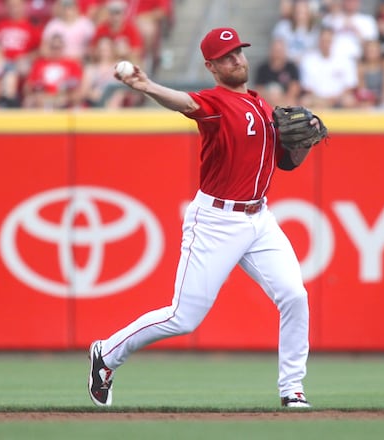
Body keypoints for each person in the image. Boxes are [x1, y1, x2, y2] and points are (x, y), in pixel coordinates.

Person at [88, 27, 315, 409]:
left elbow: (285, 163)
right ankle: (106, 354)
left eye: (238, 52)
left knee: (295, 296)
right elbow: (184, 103)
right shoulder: (214, 103)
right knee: (182, 317)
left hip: (259, 220)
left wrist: (304, 144)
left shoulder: (262, 105)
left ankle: (292, 389)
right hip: (216, 222)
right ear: (211, 66)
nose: (237, 60)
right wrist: (147, 86)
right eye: (226, 57)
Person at [254, 38, 302, 107]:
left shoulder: (291, 67)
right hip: (268, 100)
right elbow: (259, 89)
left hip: (286, 100)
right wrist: (271, 98)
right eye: (275, 50)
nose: (277, 53)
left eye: (279, 51)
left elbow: (295, 87)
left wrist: (282, 99)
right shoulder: (262, 68)